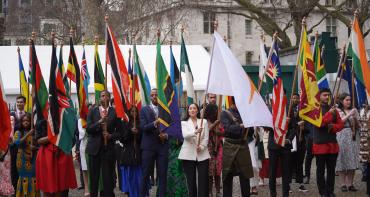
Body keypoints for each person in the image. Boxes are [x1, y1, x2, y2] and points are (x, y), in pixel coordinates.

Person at [86, 90, 123, 197]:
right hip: (94, 150)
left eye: (107, 96)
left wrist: (110, 136)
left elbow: (120, 132)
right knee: (94, 178)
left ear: (109, 98)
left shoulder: (114, 112)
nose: (104, 98)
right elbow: (88, 129)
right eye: (102, 96)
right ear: (99, 98)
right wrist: (99, 122)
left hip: (108, 149)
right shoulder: (92, 111)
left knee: (108, 179)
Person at [313, 88, 344, 197]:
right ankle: (322, 192)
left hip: (332, 145)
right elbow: (319, 123)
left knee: (331, 171)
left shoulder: (334, 109)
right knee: (320, 171)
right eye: (324, 95)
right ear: (319, 96)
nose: (327, 97)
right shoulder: (315, 109)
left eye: (328, 95)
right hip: (320, 145)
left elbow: (341, 125)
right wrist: (328, 114)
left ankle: (330, 191)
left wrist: (333, 127)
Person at [35, 118, 77, 197]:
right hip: (46, 158)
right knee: (47, 189)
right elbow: (38, 140)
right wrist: (52, 136)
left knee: (62, 189)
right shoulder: (42, 121)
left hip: (62, 156)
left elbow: (72, 139)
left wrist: (63, 142)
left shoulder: (66, 120)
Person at [139, 89, 169, 197]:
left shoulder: (165, 109)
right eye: (152, 95)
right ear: (150, 97)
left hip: (162, 146)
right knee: (145, 174)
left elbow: (171, 127)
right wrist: (155, 123)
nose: (154, 97)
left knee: (162, 175)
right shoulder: (144, 110)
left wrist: (166, 135)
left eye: (156, 95)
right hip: (148, 147)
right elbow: (143, 127)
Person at [220, 99, 253, 197]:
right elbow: (227, 129)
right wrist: (241, 126)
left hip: (243, 146)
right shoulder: (225, 113)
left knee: (245, 177)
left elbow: (250, 132)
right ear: (234, 103)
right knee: (227, 177)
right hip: (229, 146)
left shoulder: (245, 114)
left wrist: (250, 126)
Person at [178, 103, 210, 197]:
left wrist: (202, 147)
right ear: (188, 111)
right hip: (188, 154)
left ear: (197, 110)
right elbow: (185, 135)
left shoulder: (203, 121)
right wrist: (195, 132)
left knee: (203, 180)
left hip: (202, 153)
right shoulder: (184, 122)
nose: (192, 110)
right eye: (190, 108)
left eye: (194, 108)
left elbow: (206, 138)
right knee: (191, 181)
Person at [336, 93, 360, 192]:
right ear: (342, 101)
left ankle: (350, 184)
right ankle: (343, 184)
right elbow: (340, 122)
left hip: (352, 135)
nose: (349, 102)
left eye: (350, 100)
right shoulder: (338, 110)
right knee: (342, 159)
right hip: (341, 135)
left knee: (352, 160)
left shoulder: (354, 110)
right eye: (347, 100)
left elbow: (359, 125)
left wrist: (355, 119)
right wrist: (350, 114)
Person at [13, 113, 40, 197]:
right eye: (24, 120)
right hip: (22, 159)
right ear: (21, 122)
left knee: (33, 177)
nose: (26, 122)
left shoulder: (35, 133)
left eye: (28, 120)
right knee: (23, 178)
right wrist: (28, 134)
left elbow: (40, 146)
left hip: (33, 158)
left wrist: (34, 148)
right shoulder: (18, 132)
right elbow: (17, 142)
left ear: (31, 122)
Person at [118, 106, 142, 197]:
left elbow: (143, 137)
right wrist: (130, 132)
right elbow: (122, 138)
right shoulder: (125, 123)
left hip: (139, 153)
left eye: (136, 111)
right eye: (132, 111)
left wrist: (138, 133)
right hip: (128, 153)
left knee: (139, 178)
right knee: (130, 177)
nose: (134, 113)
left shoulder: (140, 123)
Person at [289, 93, 308, 192]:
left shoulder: (303, 111)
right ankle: (288, 185)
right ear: (291, 99)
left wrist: (303, 128)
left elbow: (308, 126)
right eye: (294, 98)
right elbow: (288, 125)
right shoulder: (288, 111)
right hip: (291, 140)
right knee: (289, 163)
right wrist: (297, 124)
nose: (295, 100)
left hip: (301, 141)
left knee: (300, 163)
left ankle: (301, 183)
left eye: (297, 98)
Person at [204, 103, 223, 197]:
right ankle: (210, 191)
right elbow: (206, 130)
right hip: (209, 147)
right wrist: (214, 124)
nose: (215, 112)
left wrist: (217, 131)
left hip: (218, 146)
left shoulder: (220, 120)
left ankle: (218, 191)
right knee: (210, 170)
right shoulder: (205, 121)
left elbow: (223, 132)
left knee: (218, 169)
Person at [10, 95, 27, 192]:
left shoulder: (28, 115)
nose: (19, 104)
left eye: (21, 102)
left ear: (24, 103)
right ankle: (14, 189)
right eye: (18, 102)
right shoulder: (11, 115)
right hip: (13, 146)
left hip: (24, 145)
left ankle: (23, 189)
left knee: (23, 166)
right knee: (13, 167)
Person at [0, 116, 15, 196]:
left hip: (4, 155)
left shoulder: (9, 121)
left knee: (5, 177)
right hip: (4, 155)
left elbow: (12, 141)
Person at [77, 117, 89, 196]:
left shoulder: (93, 117)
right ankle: (86, 188)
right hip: (84, 145)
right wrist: (89, 127)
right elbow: (81, 133)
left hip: (93, 144)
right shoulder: (80, 120)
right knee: (84, 168)